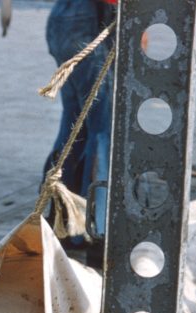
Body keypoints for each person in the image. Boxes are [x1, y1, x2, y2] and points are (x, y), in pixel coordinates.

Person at [43, 0, 117, 267]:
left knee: (76, 125)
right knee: (102, 131)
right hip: (88, 25)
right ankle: (97, 228)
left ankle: (58, 217)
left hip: (64, 21)